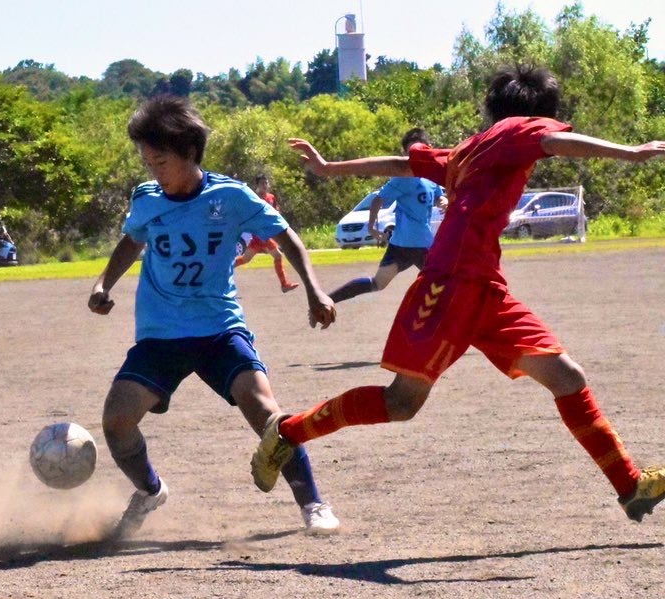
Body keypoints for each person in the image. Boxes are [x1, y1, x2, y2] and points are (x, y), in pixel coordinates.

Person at [251, 65, 665, 523]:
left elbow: (404, 164)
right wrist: (632, 152)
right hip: (450, 284)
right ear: (536, 112)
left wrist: (330, 168)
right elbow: (553, 142)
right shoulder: (518, 127)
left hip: (484, 287)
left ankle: (629, 485)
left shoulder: (474, 147)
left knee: (566, 377)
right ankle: (287, 431)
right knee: (400, 402)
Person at [88, 95, 340, 538]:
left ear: (188, 153)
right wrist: (103, 283)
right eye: (148, 163)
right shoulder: (147, 198)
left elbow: (289, 239)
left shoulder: (231, 196)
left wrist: (315, 291)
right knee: (116, 421)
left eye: (160, 161)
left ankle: (313, 503)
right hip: (161, 335)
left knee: (265, 413)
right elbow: (133, 239)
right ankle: (150, 491)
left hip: (219, 330)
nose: (154, 172)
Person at [329, 129, 447, 303]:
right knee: (444, 282)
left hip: (400, 244)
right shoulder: (404, 178)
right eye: (410, 153)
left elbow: (437, 195)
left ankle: (327, 300)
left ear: (429, 149)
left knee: (378, 283)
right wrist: (371, 227)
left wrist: (443, 201)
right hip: (419, 242)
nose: (413, 157)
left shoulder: (429, 177)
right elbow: (378, 200)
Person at [234, 175, 301, 293]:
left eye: (266, 183)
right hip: (261, 234)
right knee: (278, 256)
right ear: (257, 185)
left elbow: (276, 212)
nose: (264, 186)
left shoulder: (271, 197)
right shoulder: (253, 198)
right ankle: (284, 284)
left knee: (245, 259)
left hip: (263, 235)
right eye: (262, 183)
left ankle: (221, 268)